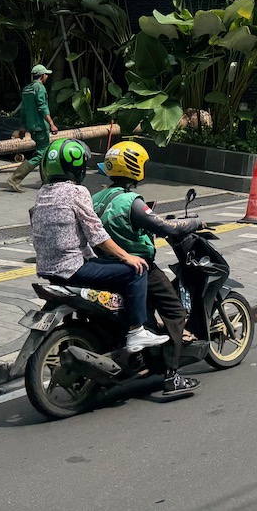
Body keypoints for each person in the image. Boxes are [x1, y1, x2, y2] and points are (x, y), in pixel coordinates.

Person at [28, 137, 168, 358]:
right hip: (73, 268)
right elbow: (96, 234)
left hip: (47, 269)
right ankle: (136, 331)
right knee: (135, 271)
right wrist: (126, 257)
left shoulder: (44, 193)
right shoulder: (77, 192)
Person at [93, 141, 204, 399]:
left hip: (104, 266)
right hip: (138, 267)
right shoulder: (131, 201)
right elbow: (166, 227)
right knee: (175, 311)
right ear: (135, 167)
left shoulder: (97, 197)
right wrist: (195, 222)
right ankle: (172, 376)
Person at [7, 63, 59, 193]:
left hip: (31, 126)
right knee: (41, 154)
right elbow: (42, 107)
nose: (47, 76)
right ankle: (15, 178)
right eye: (46, 74)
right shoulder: (39, 88)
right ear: (42, 76)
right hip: (41, 127)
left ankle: (46, 182)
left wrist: (23, 126)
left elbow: (23, 109)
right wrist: (51, 123)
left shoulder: (27, 89)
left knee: (43, 152)